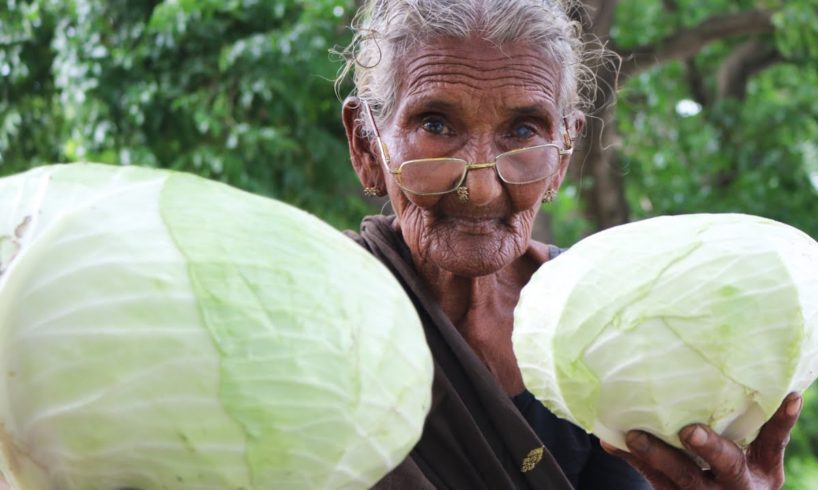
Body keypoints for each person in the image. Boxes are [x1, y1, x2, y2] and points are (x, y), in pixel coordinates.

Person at [339, 0, 802, 488]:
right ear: (367, 144)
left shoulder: (616, 324)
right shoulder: (315, 315)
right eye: (435, 124)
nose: (480, 190)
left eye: (522, 131)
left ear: (562, 153)